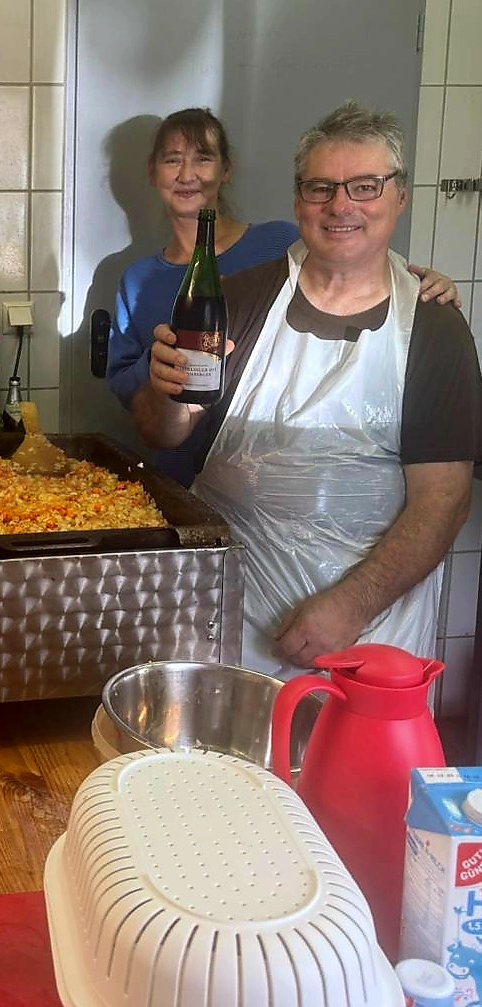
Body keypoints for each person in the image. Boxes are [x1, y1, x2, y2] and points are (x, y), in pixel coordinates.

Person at [133, 102, 482, 677]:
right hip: (229, 620)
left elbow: (444, 502)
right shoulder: (239, 300)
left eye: (365, 186)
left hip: (370, 635)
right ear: (298, 201)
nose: (341, 206)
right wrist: (165, 390)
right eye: (321, 188)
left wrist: (352, 606)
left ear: (400, 197)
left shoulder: (433, 329)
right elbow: (164, 431)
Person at [107, 107, 460, 485]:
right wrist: (166, 367)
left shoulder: (280, 243)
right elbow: (137, 401)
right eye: (173, 160)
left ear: (226, 170)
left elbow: (353, 259)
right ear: (153, 172)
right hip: (181, 478)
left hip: (288, 470)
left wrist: (416, 284)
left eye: (203, 158)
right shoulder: (137, 281)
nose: (187, 174)